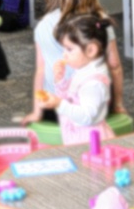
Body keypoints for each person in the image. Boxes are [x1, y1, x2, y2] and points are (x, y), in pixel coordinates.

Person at [21, 0, 126, 125]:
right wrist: (118, 105)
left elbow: (41, 70)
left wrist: (37, 111)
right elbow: (115, 66)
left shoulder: (44, 25)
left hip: (53, 108)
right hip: (94, 107)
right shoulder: (100, 21)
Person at [35, 14, 116, 145]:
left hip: (91, 142)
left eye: (69, 49)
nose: (64, 54)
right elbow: (71, 97)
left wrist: (59, 104)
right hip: (78, 136)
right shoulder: (83, 70)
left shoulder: (93, 83)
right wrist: (60, 81)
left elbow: (87, 117)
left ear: (91, 50)